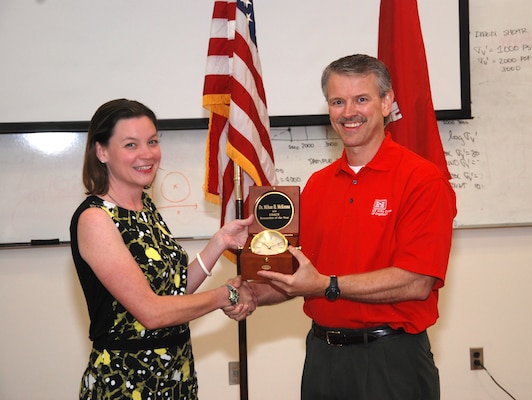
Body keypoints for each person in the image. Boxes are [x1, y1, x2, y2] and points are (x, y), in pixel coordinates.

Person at [241, 54, 457, 400]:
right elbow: (301, 276)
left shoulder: (422, 180)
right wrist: (251, 293)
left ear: (387, 103)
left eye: (362, 99)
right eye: (337, 101)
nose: (348, 112)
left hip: (392, 361)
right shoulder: (317, 185)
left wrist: (328, 285)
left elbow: (417, 281)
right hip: (323, 358)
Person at [70, 98, 255, 399]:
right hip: (127, 380)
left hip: (175, 373)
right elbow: (152, 312)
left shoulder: (146, 207)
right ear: (101, 151)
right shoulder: (95, 219)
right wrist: (226, 295)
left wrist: (219, 241)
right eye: (131, 145)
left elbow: (174, 291)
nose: (147, 154)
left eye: (152, 141)